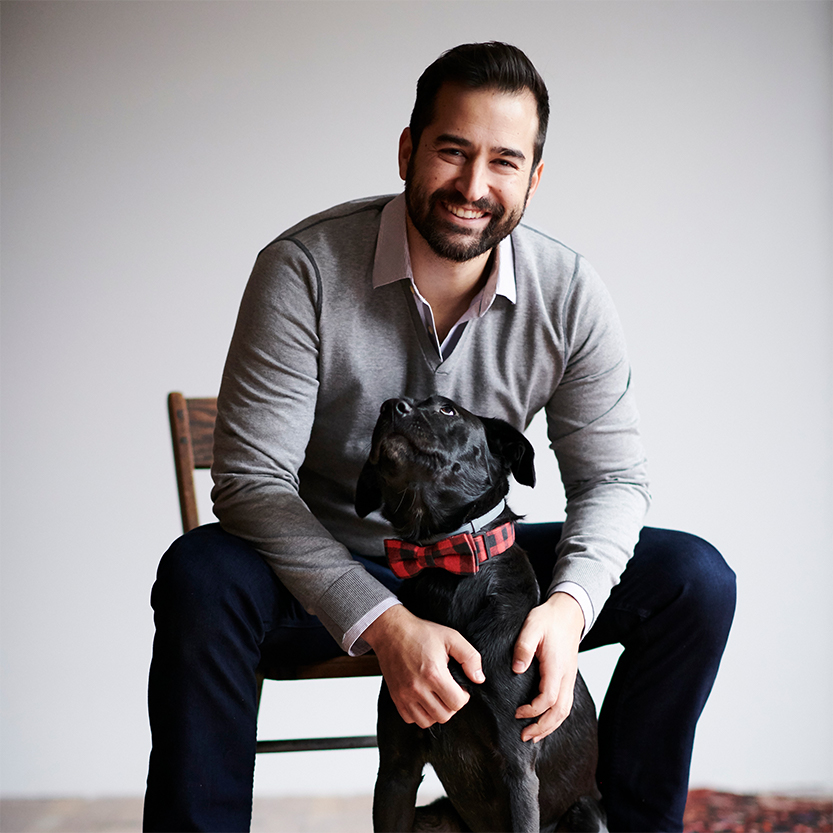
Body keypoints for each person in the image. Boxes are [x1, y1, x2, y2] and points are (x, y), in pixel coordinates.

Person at [143, 42, 736, 833]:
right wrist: (382, 623)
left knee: (693, 579)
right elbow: (250, 480)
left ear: (533, 178)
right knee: (199, 573)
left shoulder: (568, 292)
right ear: (407, 149)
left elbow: (613, 481)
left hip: (488, 571)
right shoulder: (304, 268)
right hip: (329, 568)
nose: (472, 185)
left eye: (503, 161)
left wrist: (568, 605)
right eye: (452, 151)